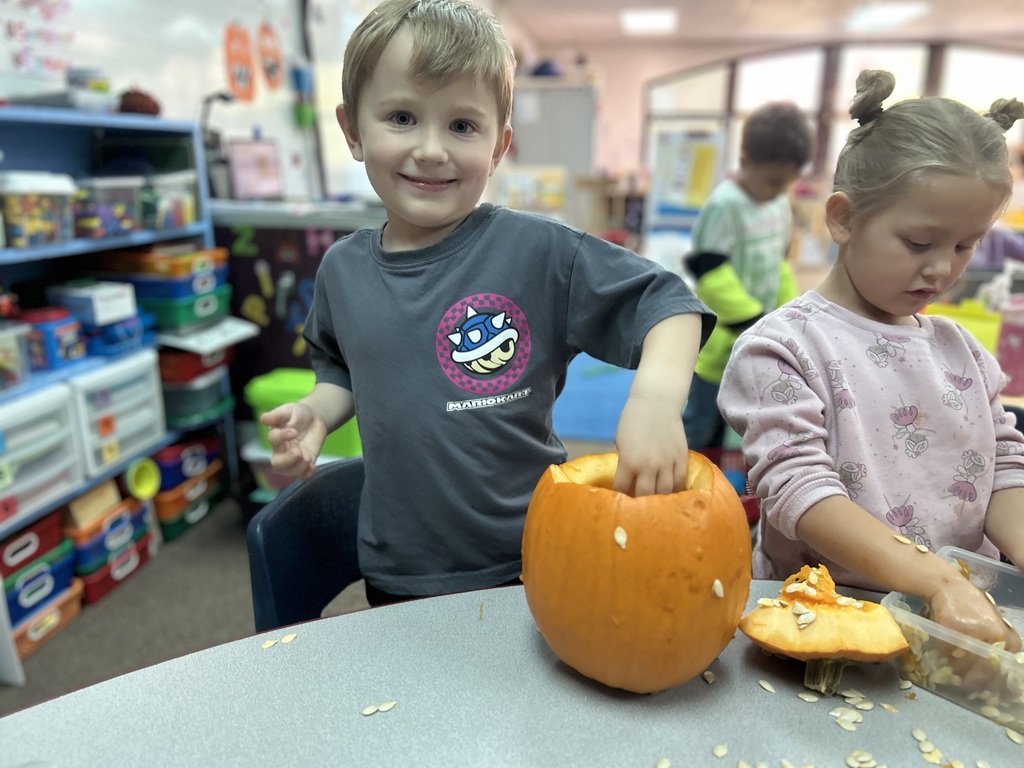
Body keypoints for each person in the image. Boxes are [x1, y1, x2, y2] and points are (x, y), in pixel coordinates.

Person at [260, 0, 713, 606]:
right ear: (352, 131)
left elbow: (669, 302)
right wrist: (319, 412)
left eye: (461, 126)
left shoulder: (539, 251)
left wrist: (656, 402)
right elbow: (342, 366)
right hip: (401, 569)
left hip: (535, 554)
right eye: (401, 117)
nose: (430, 149)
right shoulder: (341, 270)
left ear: (498, 147)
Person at [718, 68, 1024, 650]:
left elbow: (1004, 468)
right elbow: (798, 491)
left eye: (966, 245)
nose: (943, 269)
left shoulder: (964, 353)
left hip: (956, 620)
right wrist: (935, 581)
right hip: (822, 622)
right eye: (919, 243)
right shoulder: (783, 347)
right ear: (844, 218)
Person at [682, 102, 813, 451]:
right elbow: (710, 271)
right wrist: (752, 317)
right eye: (772, 180)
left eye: (786, 183)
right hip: (720, 346)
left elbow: (779, 264)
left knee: (743, 424)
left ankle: (726, 493)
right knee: (700, 427)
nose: (777, 190)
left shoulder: (779, 203)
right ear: (745, 161)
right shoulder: (726, 205)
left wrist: (788, 312)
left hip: (760, 339)